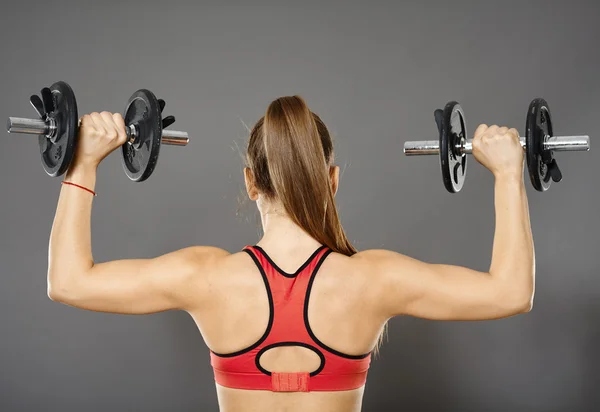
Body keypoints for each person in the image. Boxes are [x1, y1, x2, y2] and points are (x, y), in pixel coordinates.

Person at [47, 95, 534, 412]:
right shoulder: (375, 279)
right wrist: (509, 174)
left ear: (250, 182)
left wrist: (84, 163)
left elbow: (68, 282)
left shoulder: (204, 276)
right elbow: (511, 292)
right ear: (333, 181)